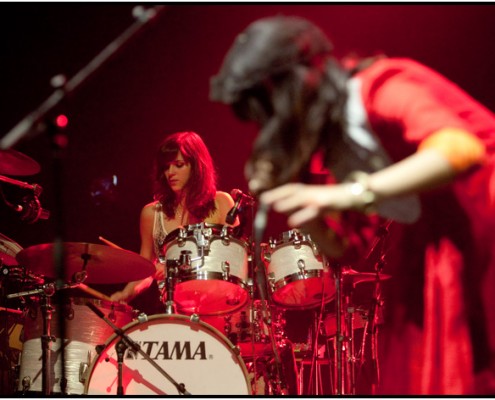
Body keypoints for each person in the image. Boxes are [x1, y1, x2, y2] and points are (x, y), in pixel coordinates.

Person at [210, 15, 495, 395]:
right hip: (440, 250)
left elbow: (462, 151)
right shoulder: (337, 141)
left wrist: (342, 194)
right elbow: (349, 249)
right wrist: (303, 209)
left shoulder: (381, 83)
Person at [110, 131, 237, 309]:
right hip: (172, 309)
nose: (170, 173)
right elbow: (146, 270)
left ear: (197, 166)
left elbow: (236, 260)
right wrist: (126, 294)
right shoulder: (151, 213)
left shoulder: (222, 202)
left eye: (178, 165)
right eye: (166, 167)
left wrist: (173, 266)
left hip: (218, 304)